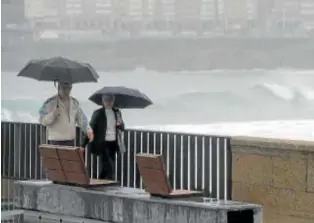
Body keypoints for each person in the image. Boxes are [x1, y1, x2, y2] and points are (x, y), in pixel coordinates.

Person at [39, 82, 92, 146]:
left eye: (69, 88)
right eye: (64, 88)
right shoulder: (50, 102)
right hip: (55, 141)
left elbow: (81, 119)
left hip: (70, 140)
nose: (67, 91)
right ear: (58, 88)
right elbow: (42, 120)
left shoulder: (74, 102)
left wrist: (88, 130)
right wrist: (53, 115)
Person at [86, 94, 125, 180]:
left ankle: (101, 181)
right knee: (109, 165)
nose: (108, 102)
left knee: (106, 166)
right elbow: (91, 127)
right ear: (102, 101)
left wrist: (120, 124)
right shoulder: (98, 113)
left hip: (114, 143)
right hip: (103, 143)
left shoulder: (117, 112)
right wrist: (87, 142)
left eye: (110, 100)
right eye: (106, 100)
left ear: (113, 101)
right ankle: (109, 182)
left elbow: (122, 128)